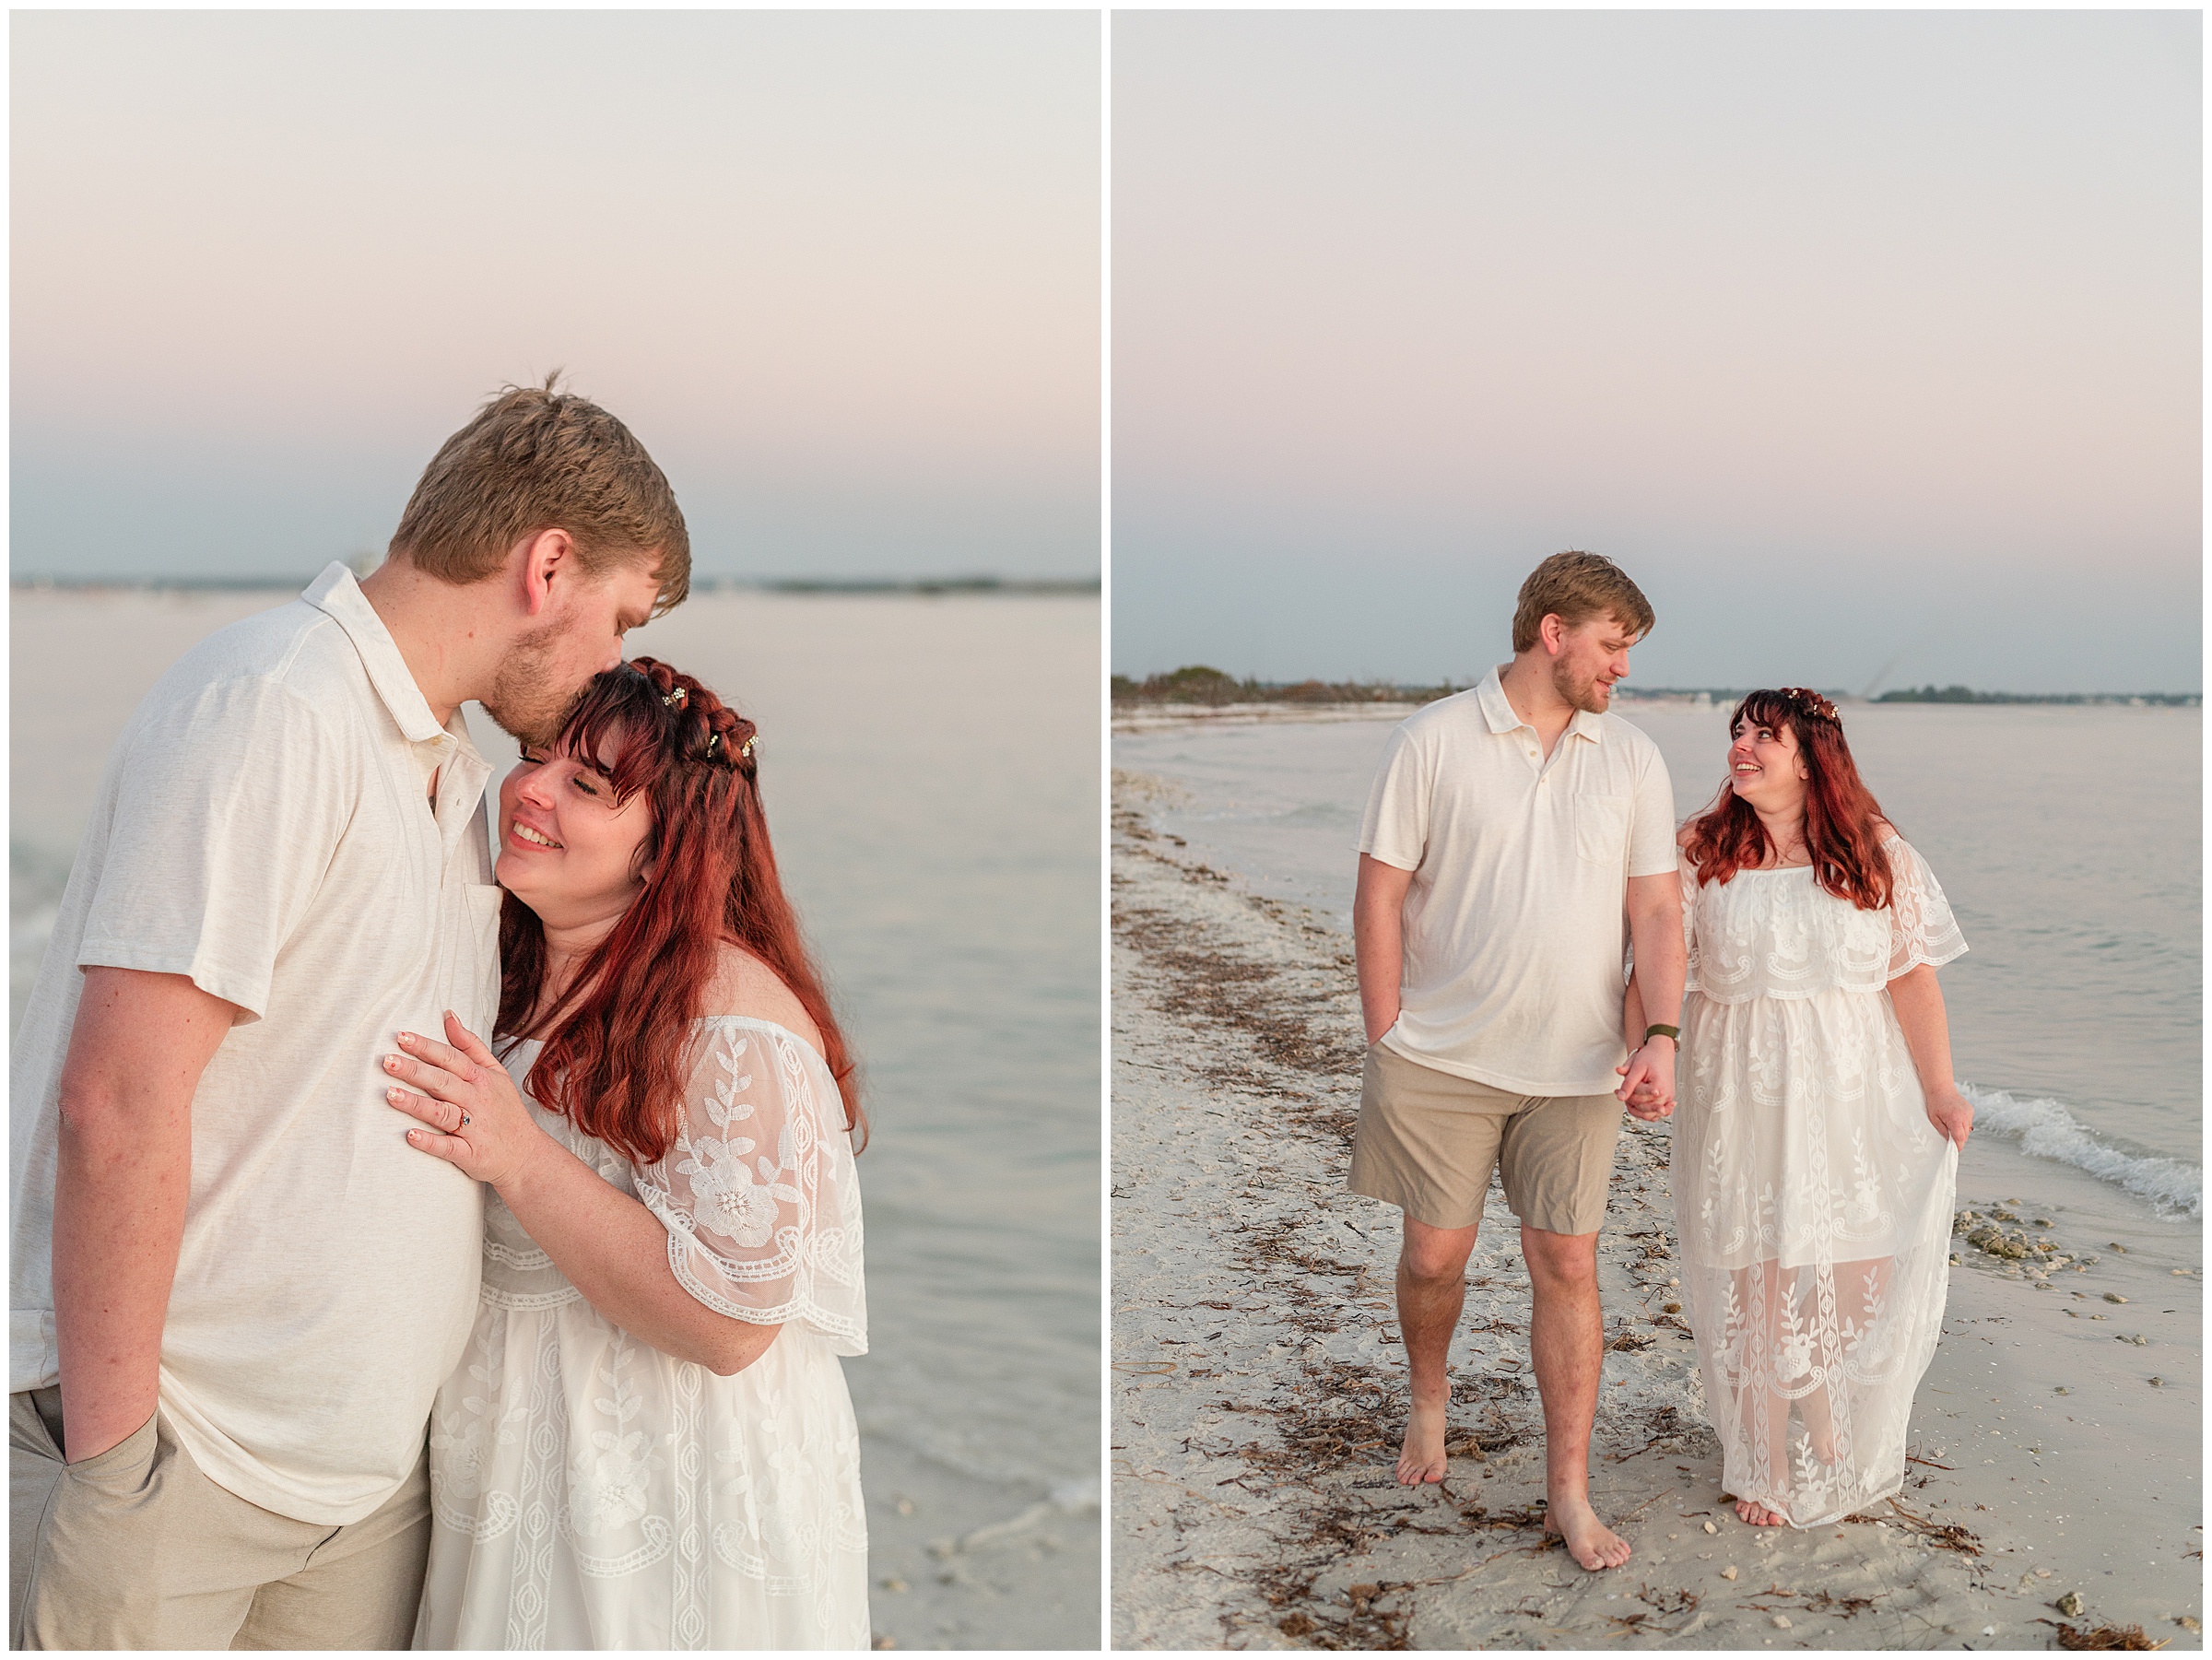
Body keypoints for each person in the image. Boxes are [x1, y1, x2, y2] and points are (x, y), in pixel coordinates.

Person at [8, 379, 688, 1649]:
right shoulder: (278, 710)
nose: (617, 665)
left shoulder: (455, 774)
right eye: (621, 619)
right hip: (181, 1469)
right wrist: (112, 1470)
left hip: (362, 1504)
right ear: (549, 564)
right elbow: (118, 1098)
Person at [390, 656, 869, 1650]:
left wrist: (518, 1155)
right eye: (534, 757)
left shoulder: (734, 1024)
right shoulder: (502, 976)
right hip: (508, 1478)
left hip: (663, 1502)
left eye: (588, 785)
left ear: (663, 853)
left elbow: (731, 1324)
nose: (529, 789)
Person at [1348, 550, 1684, 1573]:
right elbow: (1379, 893)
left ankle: (1569, 1493)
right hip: (1439, 1061)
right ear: (1555, 633)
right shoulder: (1433, 740)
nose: (1621, 669)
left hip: (1578, 1069)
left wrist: (1659, 1035)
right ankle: (1429, 1397)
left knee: (1567, 1264)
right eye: (1613, 646)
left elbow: (1659, 910)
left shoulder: (1631, 758)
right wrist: (1386, 1030)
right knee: (1434, 1257)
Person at [1630, 688, 1971, 1530]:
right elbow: (1656, 963)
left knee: (1852, 1261)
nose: (1741, 746)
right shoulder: (1700, 848)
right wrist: (1646, 1049)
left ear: (1813, 755)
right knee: (1758, 1266)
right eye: (1736, 732)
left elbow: (1910, 973)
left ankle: (1816, 1400)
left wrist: (1940, 1086)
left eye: (1762, 735)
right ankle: (1762, 1457)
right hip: (1742, 1087)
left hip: (1855, 1086)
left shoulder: (1872, 849)